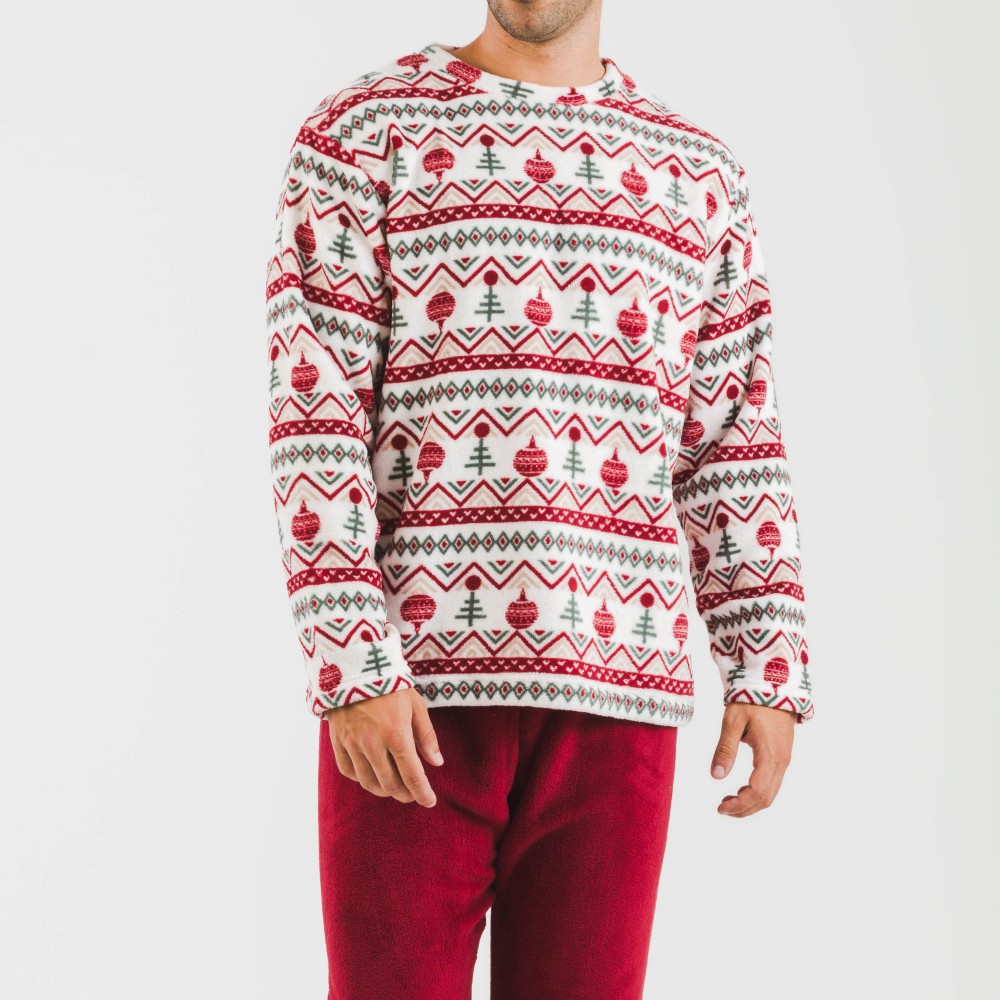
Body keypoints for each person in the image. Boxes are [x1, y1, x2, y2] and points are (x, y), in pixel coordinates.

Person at [264, 2, 814, 996]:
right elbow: (316, 414)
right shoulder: (360, 135)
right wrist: (350, 662)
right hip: (411, 699)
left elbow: (732, 432)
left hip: (618, 703)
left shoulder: (698, 175)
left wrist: (765, 664)